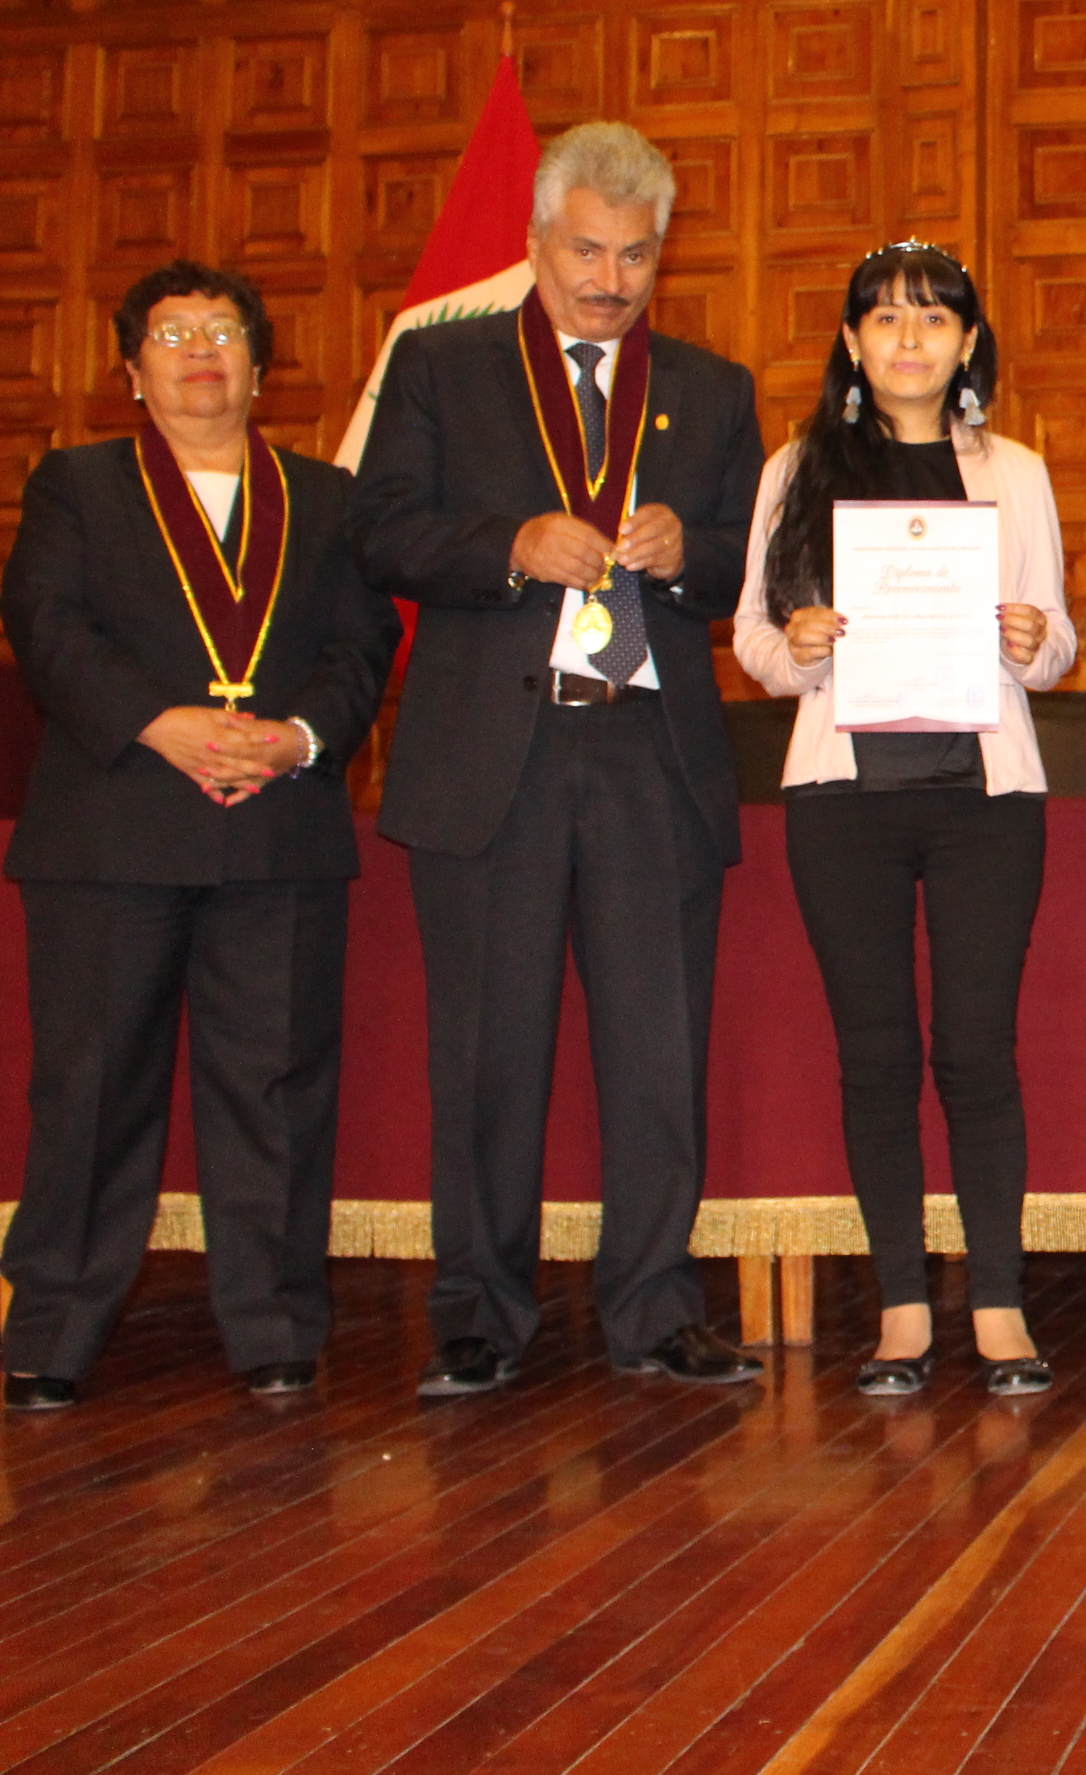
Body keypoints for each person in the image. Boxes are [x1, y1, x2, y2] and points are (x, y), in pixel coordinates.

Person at [353, 121, 766, 1395]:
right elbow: (378, 532)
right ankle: (479, 1313)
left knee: (658, 1055)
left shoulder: (711, 388)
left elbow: (749, 559)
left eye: (635, 256)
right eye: (586, 250)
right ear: (536, 241)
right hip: (496, 758)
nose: (609, 280)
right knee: (488, 1052)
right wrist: (510, 546)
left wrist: (687, 553)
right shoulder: (442, 366)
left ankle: (655, 1310)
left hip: (651, 754)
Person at [0, 262, 399, 1409]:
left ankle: (275, 1327)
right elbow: (44, 623)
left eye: (222, 331)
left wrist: (296, 738)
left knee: (275, 1089)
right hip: (114, 829)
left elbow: (363, 646)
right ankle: (52, 1335)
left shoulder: (326, 498)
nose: (200, 352)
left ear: (260, 366)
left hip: (278, 827)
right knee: (92, 1091)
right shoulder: (77, 485)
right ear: (133, 372)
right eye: (171, 336)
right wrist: (162, 725)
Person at [734, 244, 1077, 1397]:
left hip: (985, 799)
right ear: (851, 341)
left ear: (969, 343)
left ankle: (998, 1303)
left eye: (934, 320)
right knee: (875, 1054)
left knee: (977, 1050)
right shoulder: (797, 470)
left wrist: (1035, 641)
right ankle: (898, 1307)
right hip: (844, 798)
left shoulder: (1015, 472)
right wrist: (799, 646)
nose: (911, 340)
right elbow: (753, 640)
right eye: (885, 319)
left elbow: (1061, 640)